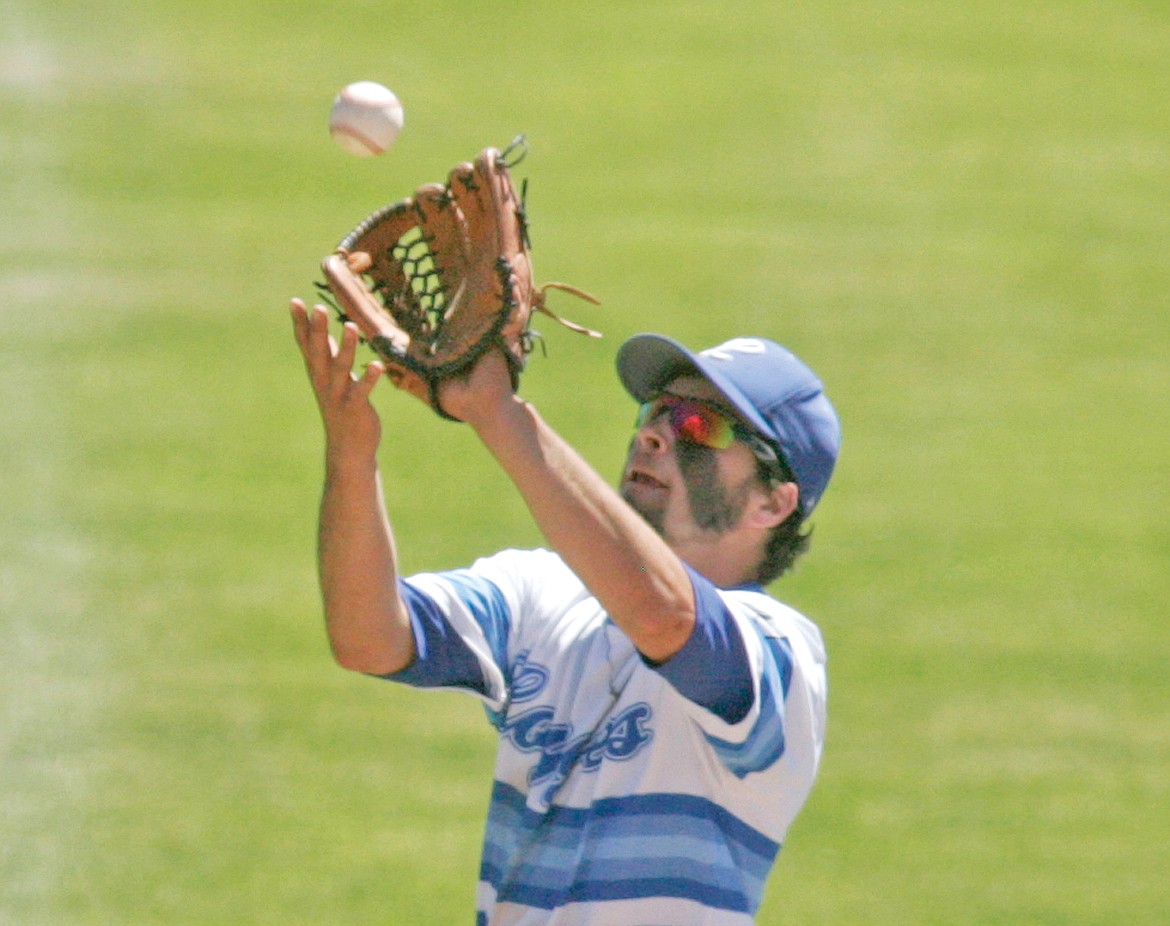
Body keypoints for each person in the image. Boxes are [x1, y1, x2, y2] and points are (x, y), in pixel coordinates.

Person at [289, 296, 841, 926]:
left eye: (700, 427)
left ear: (772, 503)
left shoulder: (779, 655)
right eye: (654, 412)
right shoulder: (542, 591)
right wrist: (352, 456)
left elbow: (666, 619)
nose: (653, 433)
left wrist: (498, 415)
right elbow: (368, 637)